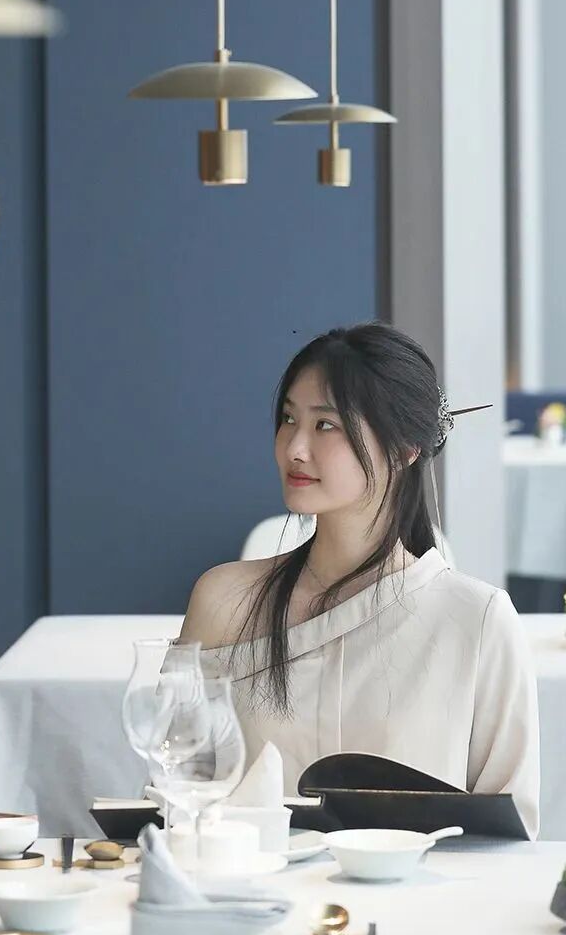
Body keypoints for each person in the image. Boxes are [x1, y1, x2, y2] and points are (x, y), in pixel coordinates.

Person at [179, 323, 540, 837]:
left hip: (421, 890)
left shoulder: (478, 619)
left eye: (326, 425)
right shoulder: (223, 601)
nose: (295, 447)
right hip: (251, 884)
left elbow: (507, 836)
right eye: (289, 419)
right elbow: (177, 800)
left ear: (405, 448)